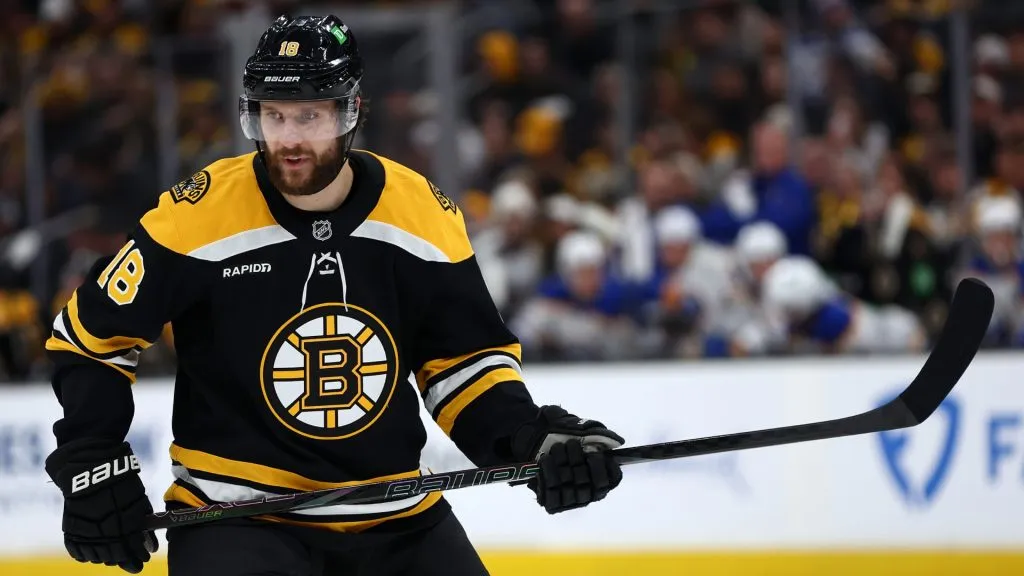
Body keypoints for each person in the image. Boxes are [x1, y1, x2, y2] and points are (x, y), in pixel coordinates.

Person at [42, 15, 625, 576]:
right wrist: (93, 459)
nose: (290, 141)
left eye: (309, 117)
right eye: (274, 117)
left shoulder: (419, 214)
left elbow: (463, 365)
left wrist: (528, 439)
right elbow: (87, 339)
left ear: (351, 114)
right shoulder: (197, 217)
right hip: (239, 521)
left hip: (396, 516)